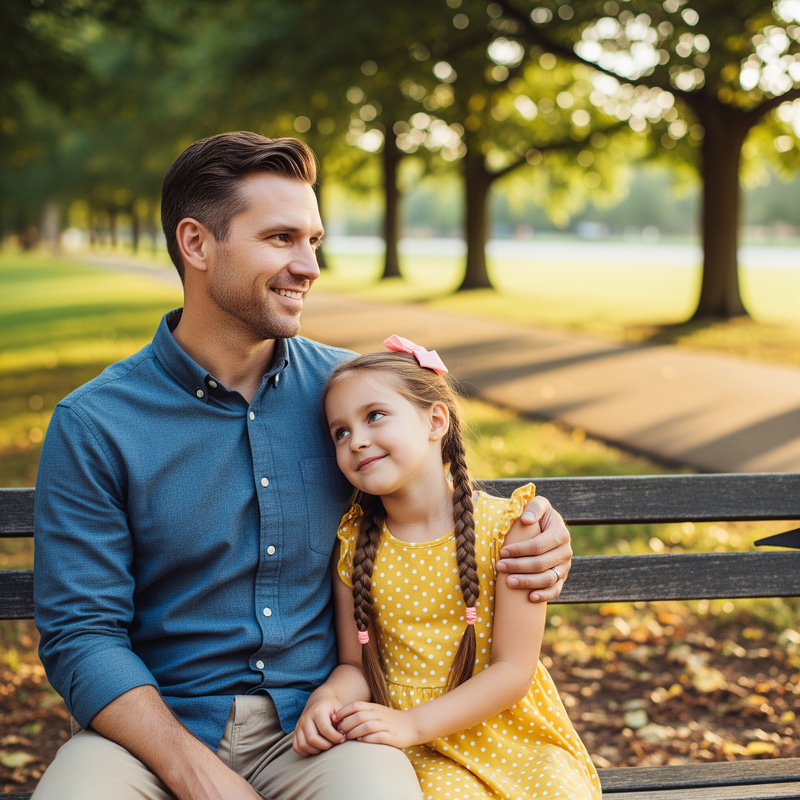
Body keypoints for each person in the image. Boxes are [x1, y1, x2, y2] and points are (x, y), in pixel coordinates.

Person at [32, 131, 574, 800]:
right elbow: (82, 635)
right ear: (197, 244)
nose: (310, 264)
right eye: (281, 238)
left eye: (313, 239)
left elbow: (434, 487)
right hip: (149, 730)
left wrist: (540, 529)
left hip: (317, 725)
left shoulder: (348, 393)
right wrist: (192, 771)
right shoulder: (96, 425)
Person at [293, 336, 601, 799]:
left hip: (510, 737)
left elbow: (514, 670)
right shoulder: (354, 543)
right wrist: (328, 699)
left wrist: (414, 722)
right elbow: (355, 666)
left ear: (436, 419)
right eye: (340, 431)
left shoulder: (507, 529)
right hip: (414, 749)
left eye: (374, 415)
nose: (356, 440)